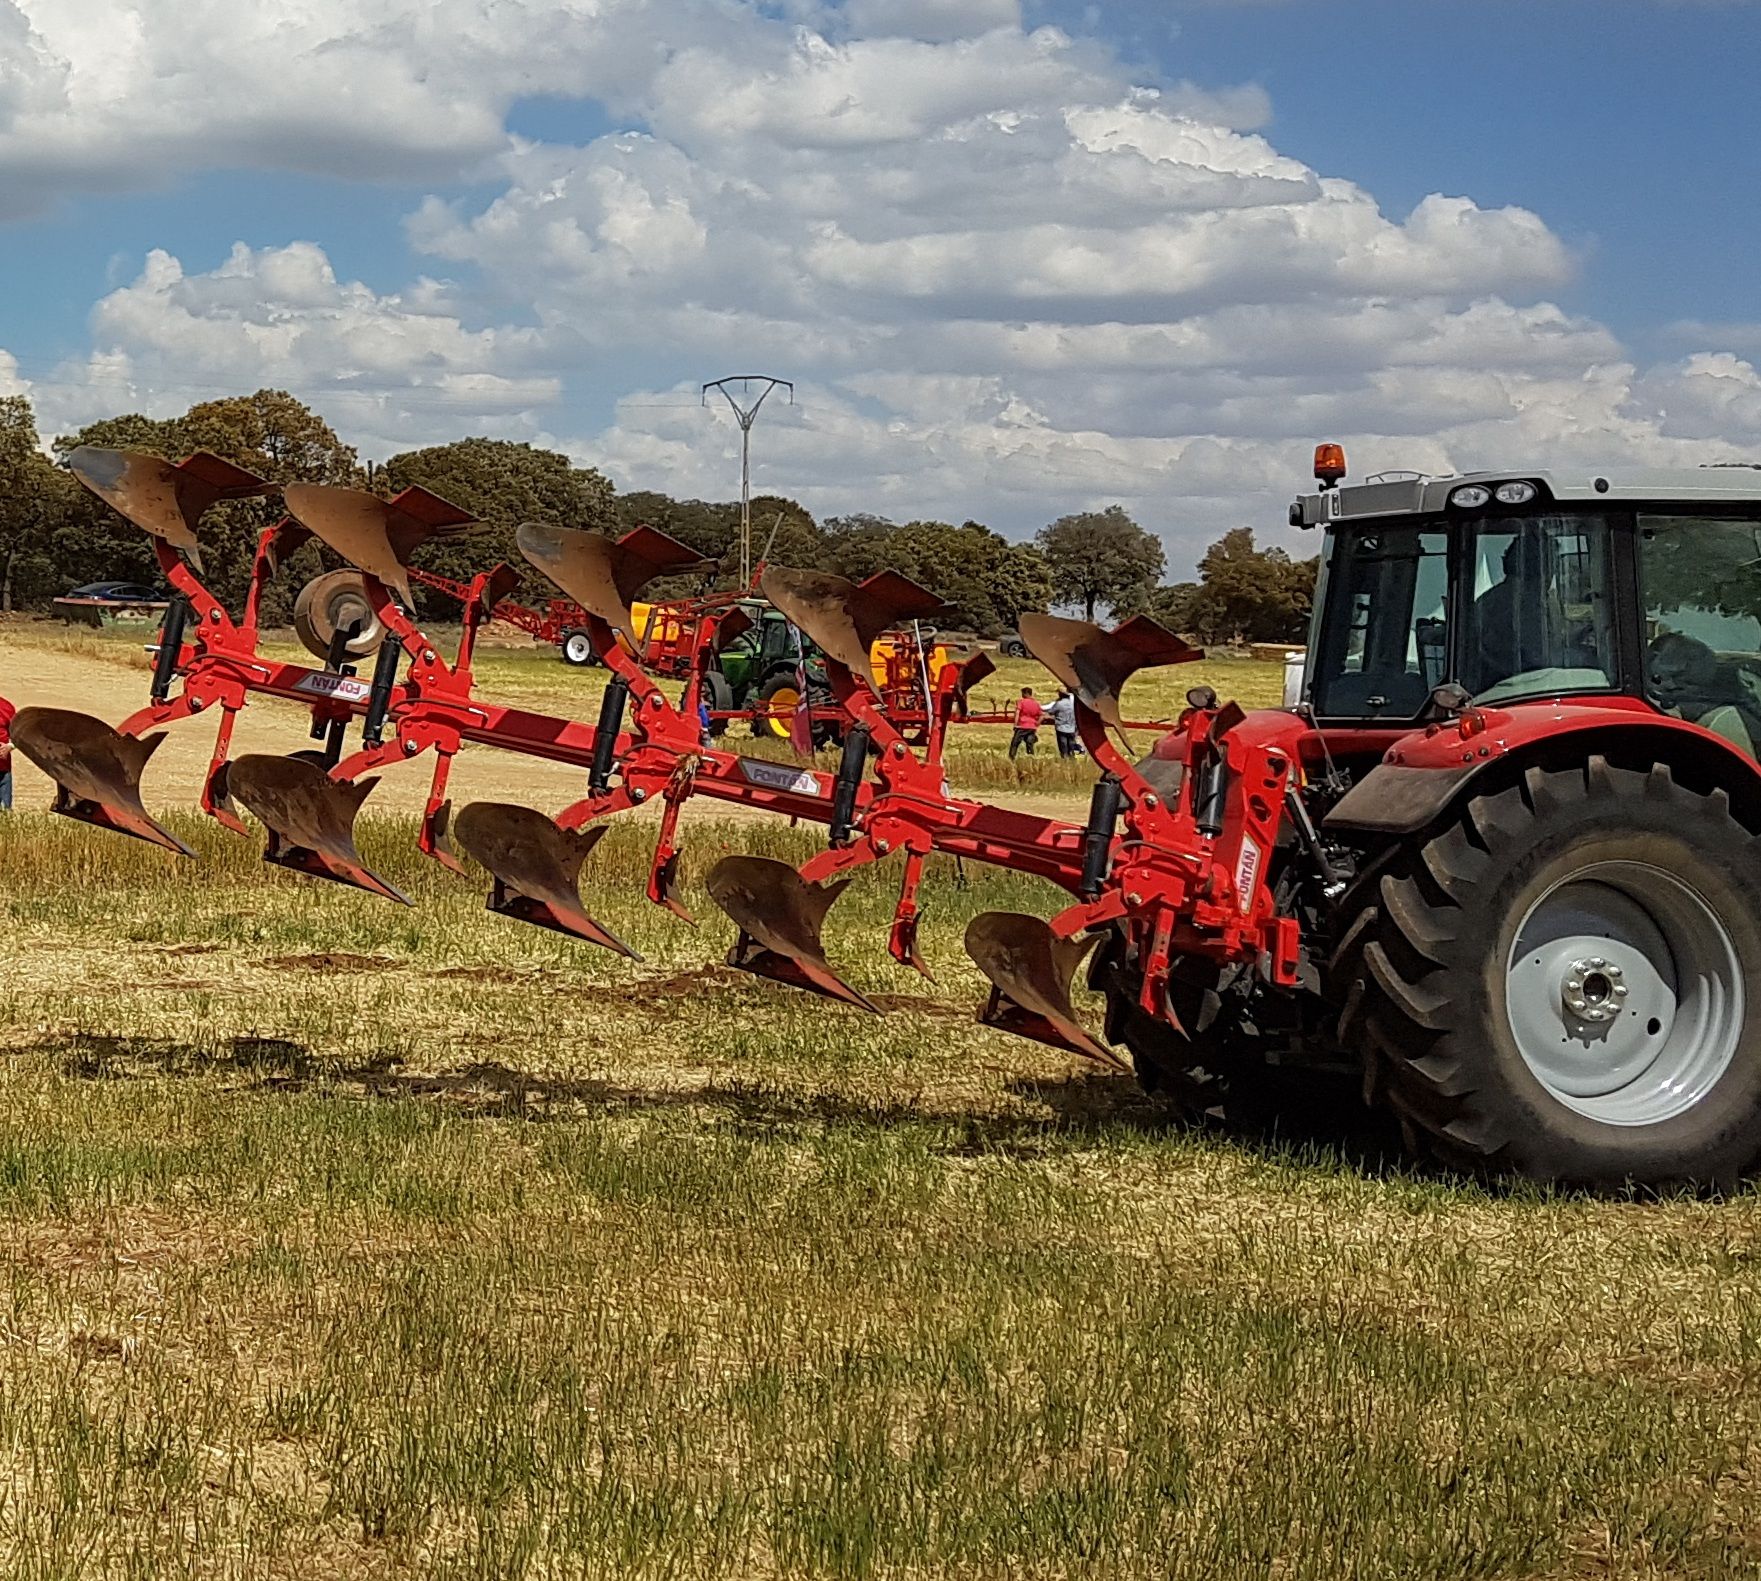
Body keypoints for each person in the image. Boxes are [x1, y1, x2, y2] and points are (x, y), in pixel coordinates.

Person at [1009, 686, 1042, 758]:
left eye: (1022, 693)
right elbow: (1041, 715)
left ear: (1026, 693)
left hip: (1022, 725)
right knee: (1029, 743)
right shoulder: (1036, 703)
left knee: (1015, 743)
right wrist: (1037, 723)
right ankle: (1031, 757)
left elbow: (1017, 713)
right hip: (1032, 727)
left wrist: (1015, 724)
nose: (1022, 695)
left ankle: (1012, 757)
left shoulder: (1021, 702)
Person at [1049, 688, 1077, 757]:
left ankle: (1064, 757)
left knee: (1063, 745)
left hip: (1061, 727)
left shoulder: (1059, 704)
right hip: (1072, 727)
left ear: (1061, 694)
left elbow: (1051, 712)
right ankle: (1072, 757)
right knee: (1071, 744)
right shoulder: (1073, 704)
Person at [0, 693, 13, 810]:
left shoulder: (6, 707)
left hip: (3, 770)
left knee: (5, 811)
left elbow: (19, 734)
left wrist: (10, 746)